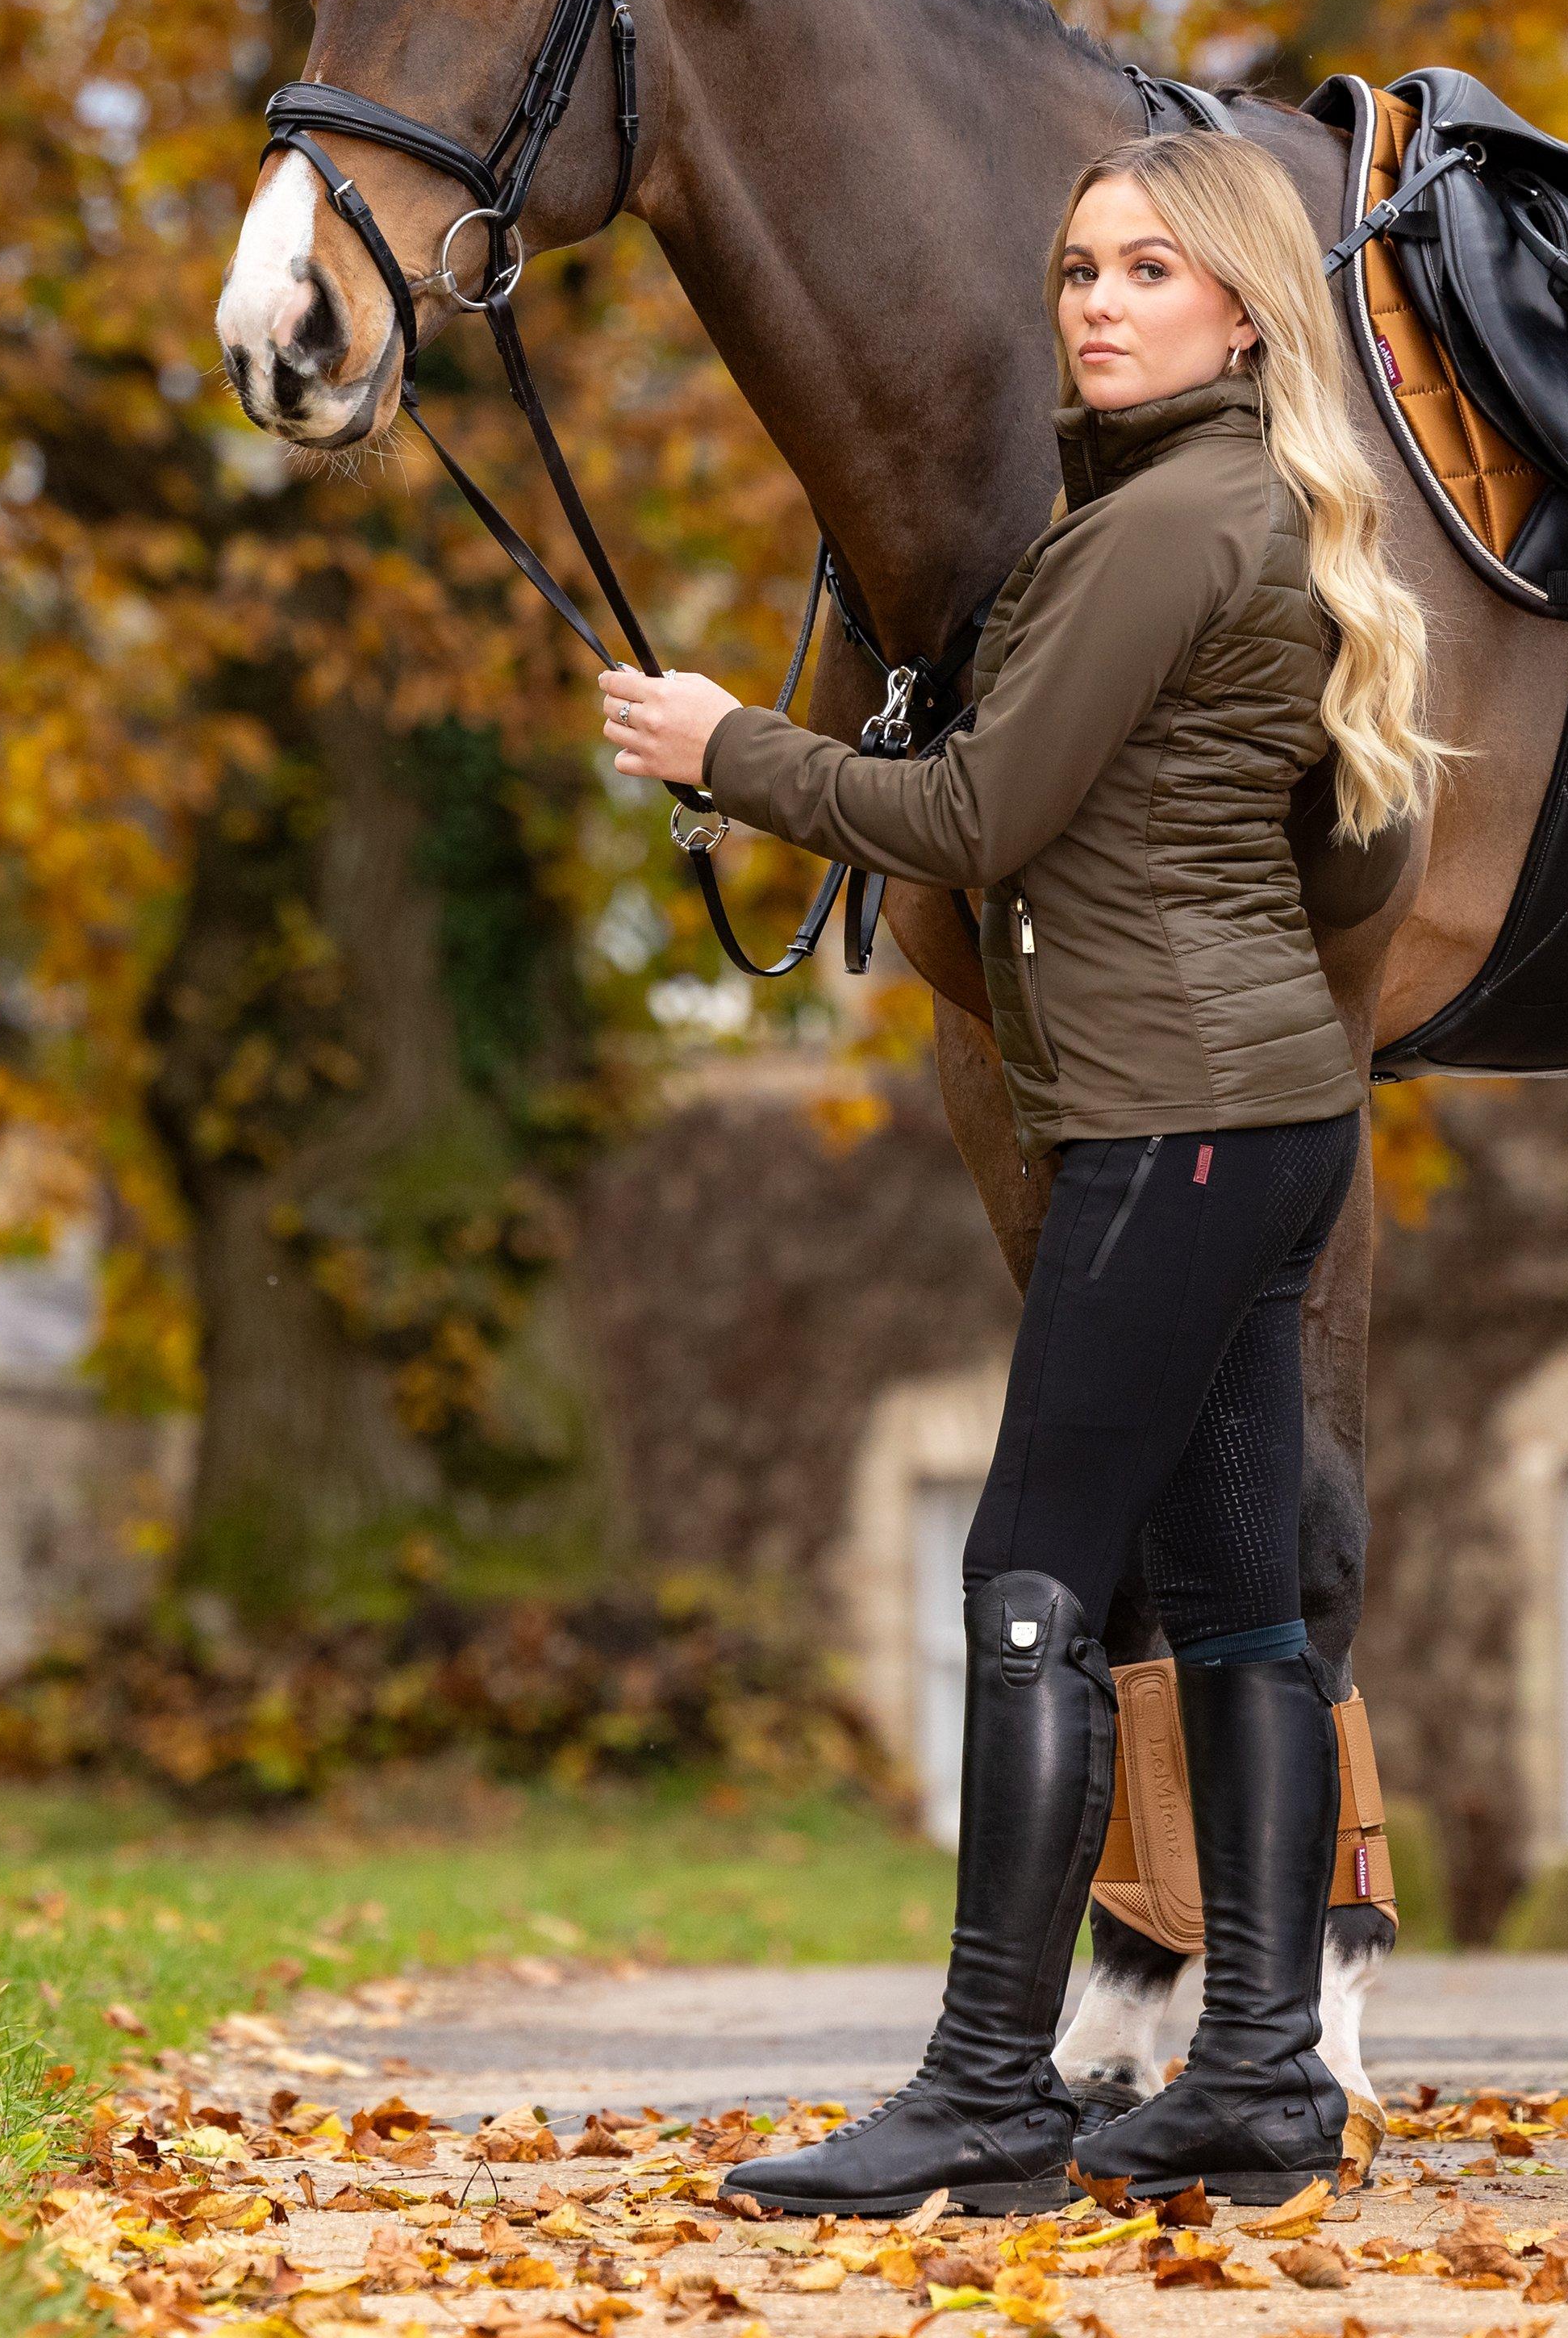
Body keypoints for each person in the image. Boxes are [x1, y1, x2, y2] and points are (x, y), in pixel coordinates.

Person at [598, 131, 1444, 2213]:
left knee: (1030, 1580)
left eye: (1149, 269)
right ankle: (1261, 2075)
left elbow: (974, 814)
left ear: (1240, 309)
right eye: (1077, 266)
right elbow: (1370, 851)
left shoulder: (1161, 534)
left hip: (1169, 1131)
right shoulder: (1258, 516)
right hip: (1262, 1119)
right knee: (1244, 1609)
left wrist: (732, 753)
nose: (1095, 301)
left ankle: (985, 2085)